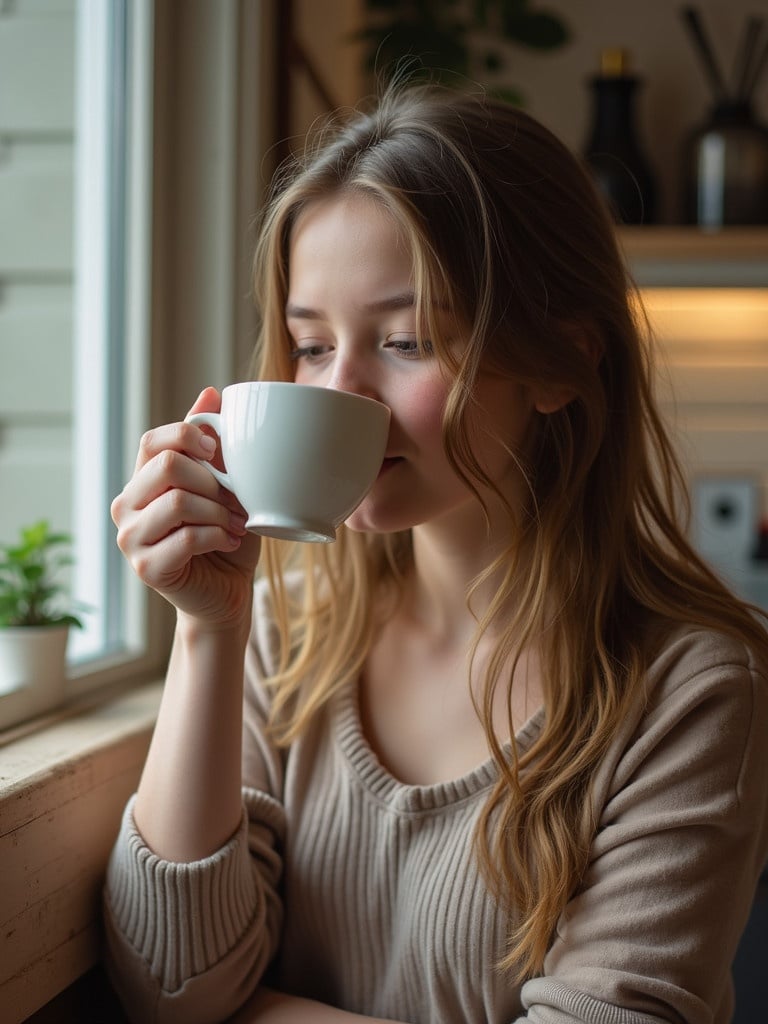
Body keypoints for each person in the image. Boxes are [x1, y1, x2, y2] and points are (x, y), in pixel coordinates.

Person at [104, 81, 768, 1024]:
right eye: (310, 344)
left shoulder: (689, 691)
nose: (342, 392)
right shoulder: (287, 623)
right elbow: (173, 986)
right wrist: (206, 632)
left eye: (407, 340)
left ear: (553, 363)